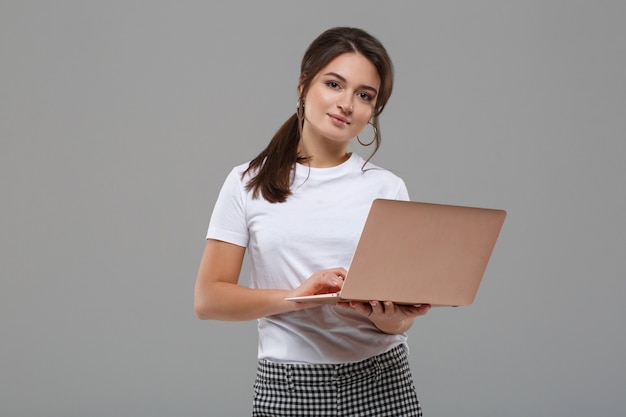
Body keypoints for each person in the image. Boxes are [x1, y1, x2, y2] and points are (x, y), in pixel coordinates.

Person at [194, 26, 431, 416]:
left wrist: (390, 318)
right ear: (304, 85)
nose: (347, 104)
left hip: (382, 382)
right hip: (288, 386)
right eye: (334, 84)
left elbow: (398, 327)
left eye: (364, 95)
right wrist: (294, 299)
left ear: (373, 112)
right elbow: (209, 299)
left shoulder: (387, 188)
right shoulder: (247, 183)